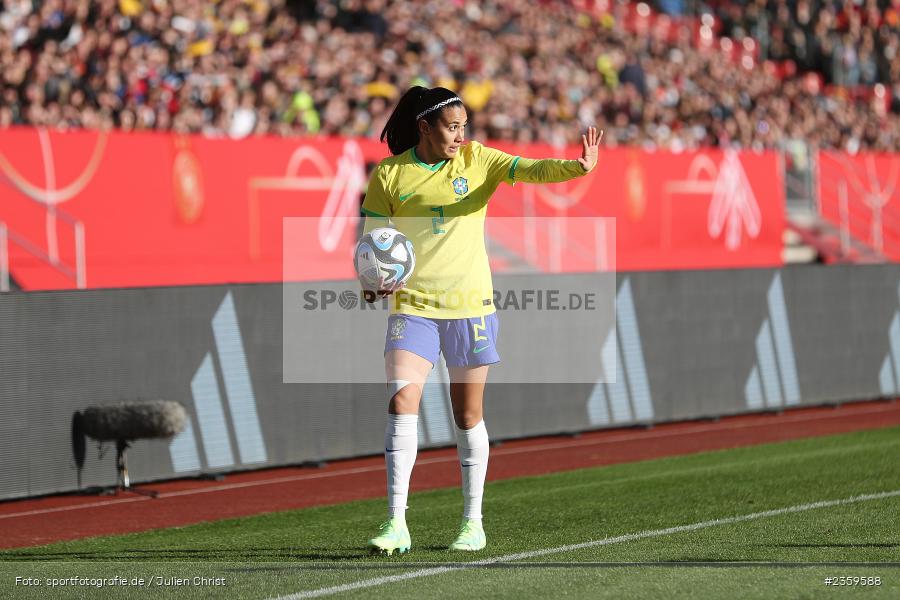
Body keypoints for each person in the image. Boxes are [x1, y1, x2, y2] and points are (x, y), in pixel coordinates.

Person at [360, 86, 601, 554]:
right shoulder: (390, 174)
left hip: (470, 306)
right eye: (452, 127)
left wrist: (577, 167)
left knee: (467, 416)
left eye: (464, 127)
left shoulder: (479, 161)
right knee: (401, 403)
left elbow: (529, 169)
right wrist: (371, 280)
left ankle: (473, 523)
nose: (460, 135)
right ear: (425, 128)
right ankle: (395, 523)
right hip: (414, 307)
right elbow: (373, 241)